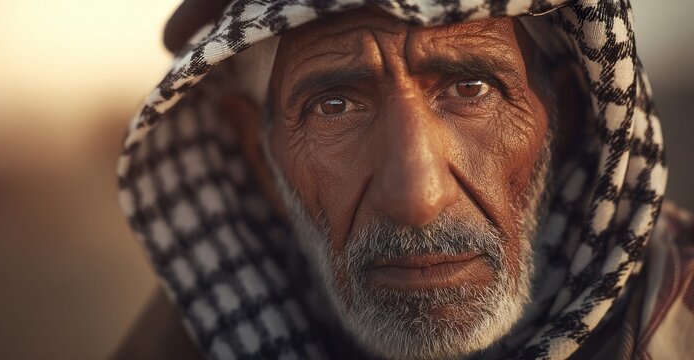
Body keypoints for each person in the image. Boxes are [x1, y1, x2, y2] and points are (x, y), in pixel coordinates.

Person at [113, 1, 694, 359]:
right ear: (260, 156)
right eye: (334, 106)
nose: (417, 198)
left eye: (472, 90)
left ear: (564, 119)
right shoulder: (196, 335)